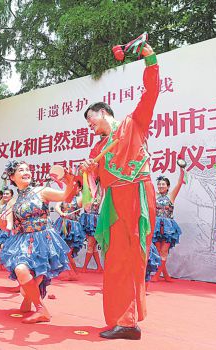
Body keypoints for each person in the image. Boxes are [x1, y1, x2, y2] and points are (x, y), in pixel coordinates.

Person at [80, 43, 159, 340]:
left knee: (135, 259)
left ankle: (130, 320)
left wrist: (148, 57)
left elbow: (151, 92)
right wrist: (87, 174)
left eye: (91, 119)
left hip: (138, 193)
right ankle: (124, 322)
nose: (90, 126)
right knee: (115, 262)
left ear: (103, 113)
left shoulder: (133, 124)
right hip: (113, 203)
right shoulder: (96, 149)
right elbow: (90, 196)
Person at [0, 160, 73, 324]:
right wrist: (2, 223)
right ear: (12, 177)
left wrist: (69, 181)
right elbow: (9, 226)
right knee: (22, 273)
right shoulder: (13, 202)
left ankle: (39, 308)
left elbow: (65, 196)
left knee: (25, 273)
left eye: (27, 169)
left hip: (43, 240)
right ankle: (31, 299)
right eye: (21, 170)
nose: (26, 172)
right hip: (23, 241)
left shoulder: (41, 191)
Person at [151, 170, 184, 282]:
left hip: (168, 227)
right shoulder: (154, 195)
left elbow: (179, 183)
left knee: (164, 251)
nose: (161, 186)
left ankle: (156, 275)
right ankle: (166, 275)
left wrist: (182, 170)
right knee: (158, 251)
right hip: (156, 226)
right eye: (159, 184)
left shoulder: (171, 196)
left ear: (168, 186)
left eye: (163, 184)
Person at [53, 182, 85, 280]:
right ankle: (74, 273)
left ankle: (72, 274)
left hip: (73, 228)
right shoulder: (63, 197)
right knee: (63, 251)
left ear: (79, 189)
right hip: (61, 225)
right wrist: (61, 213)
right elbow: (56, 207)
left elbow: (86, 199)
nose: (72, 188)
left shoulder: (79, 199)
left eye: (76, 187)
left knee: (68, 252)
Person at [79, 198, 104, 273]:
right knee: (93, 247)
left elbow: (89, 209)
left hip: (94, 223)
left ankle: (85, 267)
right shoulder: (92, 196)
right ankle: (99, 267)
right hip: (93, 222)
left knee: (90, 246)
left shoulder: (97, 196)